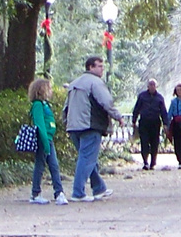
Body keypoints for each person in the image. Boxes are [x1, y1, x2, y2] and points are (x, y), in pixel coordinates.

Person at [65, 55, 125, 201]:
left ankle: (99, 188)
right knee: (86, 159)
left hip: (73, 126)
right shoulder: (95, 83)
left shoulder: (74, 83)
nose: (102, 69)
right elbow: (106, 102)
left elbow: (66, 107)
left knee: (88, 158)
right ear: (90, 67)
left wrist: (66, 123)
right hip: (90, 125)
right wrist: (118, 117)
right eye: (99, 66)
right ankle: (78, 193)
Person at [26, 77, 68, 205]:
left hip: (48, 139)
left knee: (54, 166)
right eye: (48, 89)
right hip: (43, 140)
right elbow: (40, 125)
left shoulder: (45, 104)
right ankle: (36, 193)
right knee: (41, 166)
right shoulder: (37, 105)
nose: (51, 91)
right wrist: (45, 143)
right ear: (41, 90)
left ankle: (59, 193)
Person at [133, 78, 169, 169]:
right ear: (147, 86)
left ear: (156, 86)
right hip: (144, 122)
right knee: (144, 142)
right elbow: (137, 108)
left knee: (154, 142)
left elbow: (163, 111)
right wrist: (134, 120)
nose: (152, 86)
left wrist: (165, 123)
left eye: (154, 85)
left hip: (155, 123)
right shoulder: (142, 96)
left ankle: (153, 162)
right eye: (150, 84)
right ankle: (145, 162)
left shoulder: (160, 98)